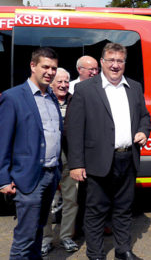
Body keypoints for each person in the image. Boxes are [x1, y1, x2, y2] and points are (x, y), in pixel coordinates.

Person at [66, 43, 151, 260]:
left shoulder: (134, 87)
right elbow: (73, 130)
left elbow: (144, 116)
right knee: (96, 211)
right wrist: (76, 164)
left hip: (127, 158)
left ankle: (123, 250)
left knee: (123, 209)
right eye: (110, 60)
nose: (115, 65)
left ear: (124, 63)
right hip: (97, 161)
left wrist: (143, 131)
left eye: (119, 61)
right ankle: (95, 254)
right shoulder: (84, 90)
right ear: (102, 62)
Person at [0, 47, 62, 259]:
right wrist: (3, 179)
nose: (50, 72)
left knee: (38, 233)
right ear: (33, 66)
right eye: (45, 66)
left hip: (51, 175)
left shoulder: (52, 97)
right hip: (28, 178)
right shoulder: (13, 97)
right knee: (25, 238)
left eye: (53, 68)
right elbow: (3, 141)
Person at [42, 68, 80, 255]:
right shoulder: (44, 100)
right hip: (47, 156)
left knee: (71, 199)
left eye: (67, 81)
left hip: (69, 156)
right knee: (45, 200)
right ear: (51, 83)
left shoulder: (75, 101)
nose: (64, 85)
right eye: (59, 81)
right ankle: (45, 239)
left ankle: (66, 237)